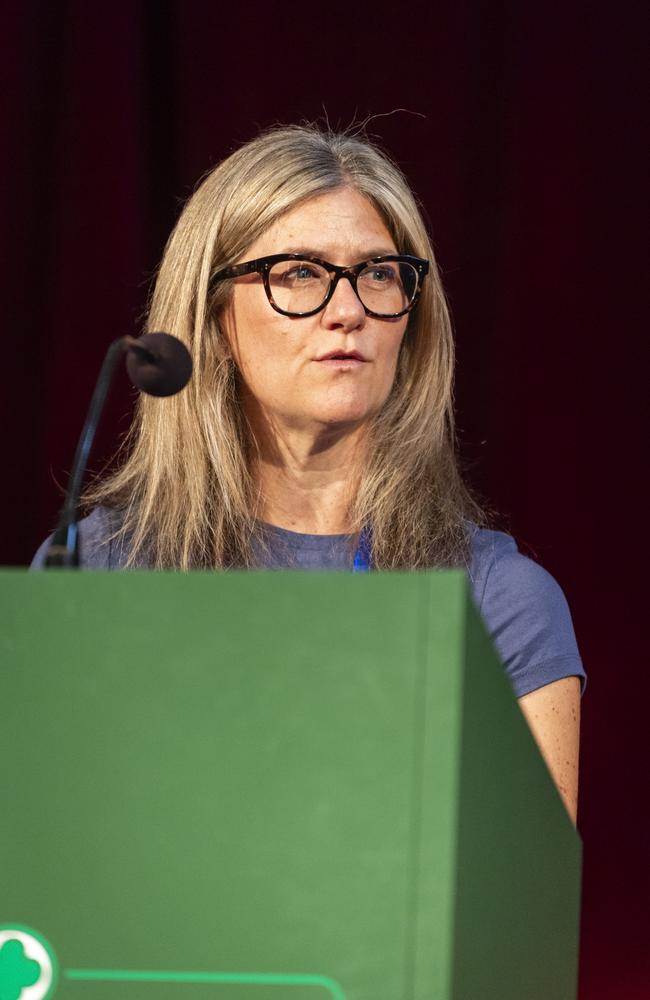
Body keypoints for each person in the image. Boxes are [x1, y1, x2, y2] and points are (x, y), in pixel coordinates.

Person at [32, 124, 585, 821]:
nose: (349, 311)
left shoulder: (498, 604)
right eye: (301, 274)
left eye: (380, 273)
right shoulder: (99, 572)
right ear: (215, 320)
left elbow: (520, 908)